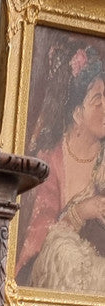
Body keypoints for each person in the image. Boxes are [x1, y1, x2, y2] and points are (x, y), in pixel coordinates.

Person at [16, 45, 105, 292]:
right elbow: (40, 236)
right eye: (97, 100)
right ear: (77, 113)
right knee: (62, 253)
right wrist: (81, 212)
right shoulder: (51, 160)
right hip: (62, 269)